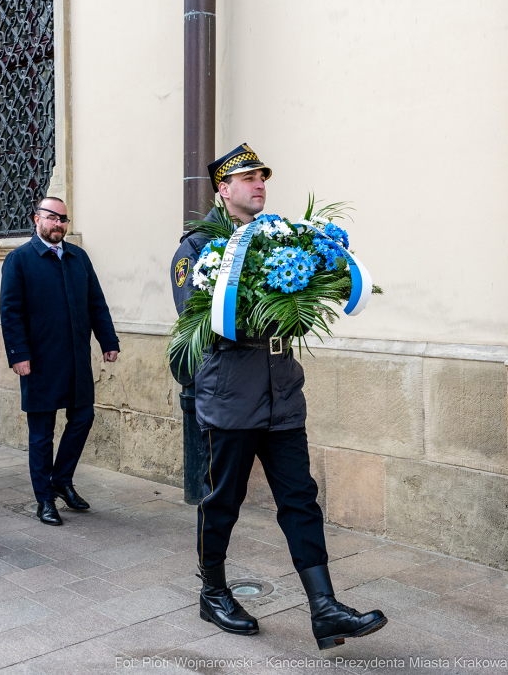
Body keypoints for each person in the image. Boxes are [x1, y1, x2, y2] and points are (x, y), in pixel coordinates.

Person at [171, 144, 386, 648]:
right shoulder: (199, 247)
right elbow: (196, 315)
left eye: (262, 176)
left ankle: (325, 607)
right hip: (231, 393)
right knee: (223, 499)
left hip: (282, 392)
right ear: (223, 190)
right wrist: (268, 304)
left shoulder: (284, 240)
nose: (258, 184)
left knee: (300, 499)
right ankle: (213, 591)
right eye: (245, 177)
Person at [0, 197, 119, 526]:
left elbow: (96, 302)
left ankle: (62, 480)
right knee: (41, 434)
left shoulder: (78, 257)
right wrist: (18, 355)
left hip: (77, 358)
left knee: (83, 418)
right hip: (39, 361)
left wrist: (108, 341)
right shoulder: (19, 260)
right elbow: (10, 313)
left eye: (64, 219)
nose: (59, 224)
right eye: (52, 218)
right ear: (36, 218)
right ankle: (44, 500)